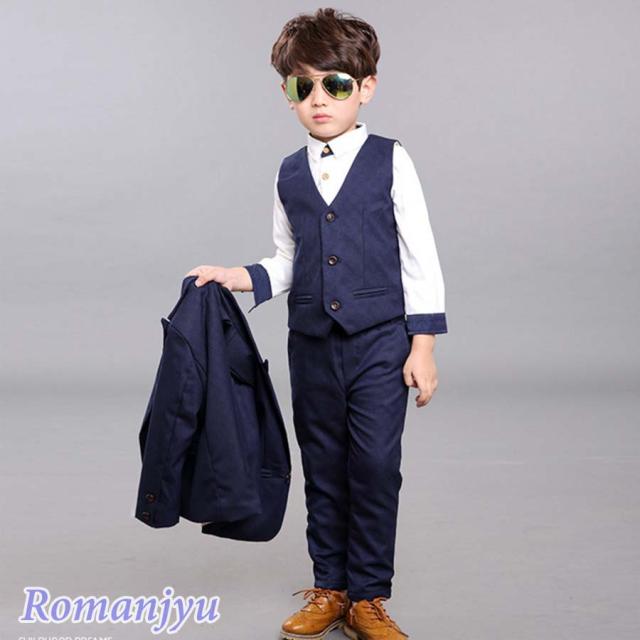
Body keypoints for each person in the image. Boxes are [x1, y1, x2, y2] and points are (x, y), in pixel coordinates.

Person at [186, 8, 448, 639]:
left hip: (381, 344)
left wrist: (423, 346)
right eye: (302, 86)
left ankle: (369, 596)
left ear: (366, 87)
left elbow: (420, 256)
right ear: (288, 96)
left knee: (375, 466)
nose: (318, 99)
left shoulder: (391, 160)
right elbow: (289, 260)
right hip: (310, 347)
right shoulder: (288, 172)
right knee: (323, 465)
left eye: (334, 84)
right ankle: (330, 587)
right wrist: (236, 275)